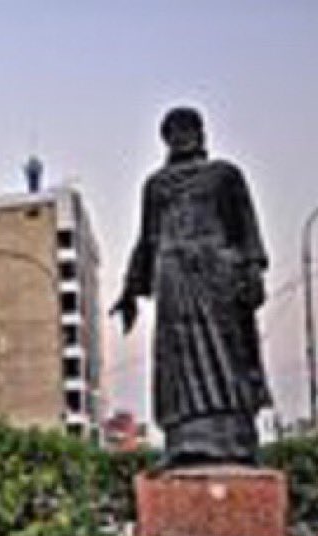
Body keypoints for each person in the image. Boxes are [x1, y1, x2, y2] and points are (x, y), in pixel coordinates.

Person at [111, 107, 271, 467]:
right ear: (166, 138)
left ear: (201, 132)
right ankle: (183, 442)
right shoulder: (156, 185)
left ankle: (236, 441)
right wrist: (129, 290)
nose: (183, 136)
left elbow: (246, 226)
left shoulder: (225, 175)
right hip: (173, 277)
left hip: (217, 272)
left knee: (229, 353)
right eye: (175, 130)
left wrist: (252, 267)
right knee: (178, 358)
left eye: (189, 128)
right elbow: (147, 240)